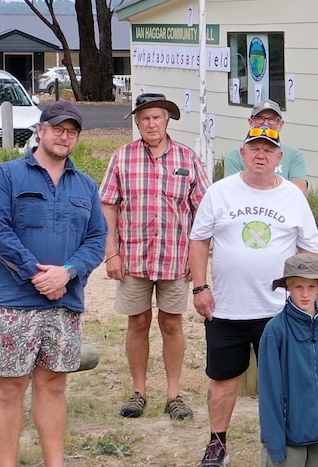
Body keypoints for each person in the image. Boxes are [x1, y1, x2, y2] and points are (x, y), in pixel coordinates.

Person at [0, 101, 107, 466]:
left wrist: (67, 273)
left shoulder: (85, 185)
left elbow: (98, 238)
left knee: (53, 386)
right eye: (58, 128)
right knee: (9, 388)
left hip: (64, 302)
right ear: (41, 130)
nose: (64, 136)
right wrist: (36, 274)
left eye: (72, 131)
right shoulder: (7, 175)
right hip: (11, 301)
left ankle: (55, 463)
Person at [188, 126, 318, 466]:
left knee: (285, 382)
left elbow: (310, 252)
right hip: (227, 308)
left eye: (268, 149)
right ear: (243, 154)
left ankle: (284, 442)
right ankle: (217, 444)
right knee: (222, 381)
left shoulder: (292, 196)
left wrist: (308, 298)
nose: (260, 154)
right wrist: (200, 287)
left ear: (279, 157)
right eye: (254, 148)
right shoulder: (220, 192)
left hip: (279, 311)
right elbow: (199, 240)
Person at [101, 93, 209, 421]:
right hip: (133, 256)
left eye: (157, 117)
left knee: (172, 324)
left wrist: (198, 258)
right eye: (145, 118)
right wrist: (112, 253)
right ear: (137, 121)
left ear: (167, 120)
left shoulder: (188, 159)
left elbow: (204, 210)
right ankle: (139, 391)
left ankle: (174, 394)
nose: (151, 124)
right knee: (138, 322)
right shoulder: (122, 158)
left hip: (175, 258)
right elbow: (108, 206)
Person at [259, 254, 318, 466]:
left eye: (311, 286)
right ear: (288, 287)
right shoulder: (275, 330)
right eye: (298, 286)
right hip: (290, 438)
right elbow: (269, 392)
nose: (305, 293)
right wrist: (275, 443)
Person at [222, 99, 309, 194]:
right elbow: (233, 190)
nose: (266, 124)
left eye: (272, 119)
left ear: (281, 124)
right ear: (251, 122)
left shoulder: (294, 155)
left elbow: (299, 190)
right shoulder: (235, 155)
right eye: (260, 118)